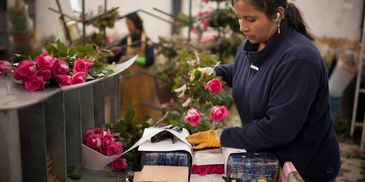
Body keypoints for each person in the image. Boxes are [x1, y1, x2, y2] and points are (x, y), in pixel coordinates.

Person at [186, 0, 340, 181]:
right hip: (267, 161)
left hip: (303, 167)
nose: (242, 27)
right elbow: (245, 71)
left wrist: (222, 137)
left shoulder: (299, 59)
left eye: (250, 19)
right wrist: (216, 72)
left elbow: (277, 128)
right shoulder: (252, 44)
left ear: (278, 14)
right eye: (239, 18)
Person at [110, 12, 161, 122]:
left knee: (146, 107)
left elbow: (150, 60)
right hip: (128, 82)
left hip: (144, 82)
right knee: (129, 107)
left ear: (136, 24)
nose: (128, 26)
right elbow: (114, 57)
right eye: (127, 24)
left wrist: (135, 58)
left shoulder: (146, 41)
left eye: (129, 24)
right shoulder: (125, 41)